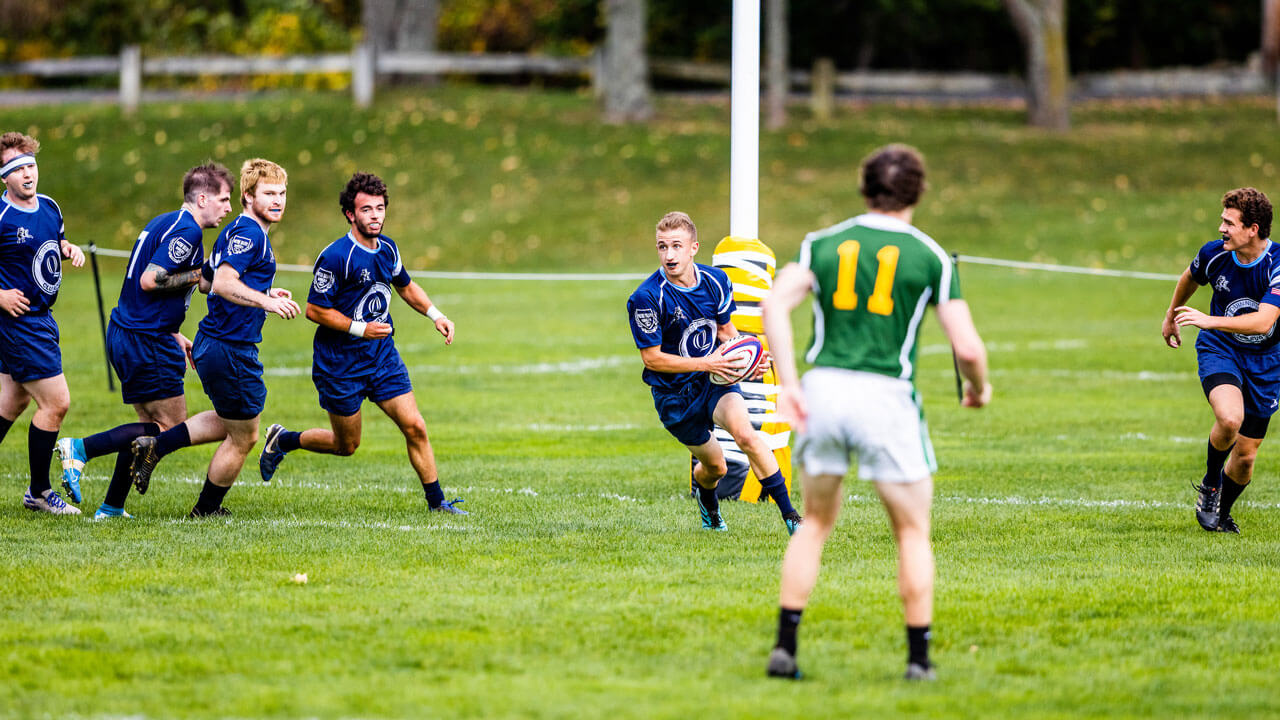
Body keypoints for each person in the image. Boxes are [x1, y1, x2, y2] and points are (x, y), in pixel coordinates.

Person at [760, 144, 990, 681]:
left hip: (824, 391)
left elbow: (773, 303)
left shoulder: (823, 242)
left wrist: (789, 385)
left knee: (814, 523)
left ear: (863, 188)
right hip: (886, 398)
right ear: (918, 192)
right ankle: (918, 660)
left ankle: (785, 648)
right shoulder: (929, 255)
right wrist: (978, 388)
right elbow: (969, 350)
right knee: (911, 533)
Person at [256, 172, 467, 514]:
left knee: (415, 426)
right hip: (339, 364)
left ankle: (437, 503)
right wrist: (359, 328)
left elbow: (406, 286)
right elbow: (314, 309)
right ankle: (283, 439)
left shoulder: (388, 249)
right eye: (366, 209)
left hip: (382, 358)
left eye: (380, 208)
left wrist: (435, 314)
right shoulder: (337, 257)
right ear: (350, 215)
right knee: (346, 445)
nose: (375, 215)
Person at [55, 163, 234, 519]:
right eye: (224, 199)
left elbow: (146, 291)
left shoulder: (164, 221)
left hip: (130, 332)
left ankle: (111, 506)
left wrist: (174, 332)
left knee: (146, 430)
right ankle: (79, 449)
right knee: (168, 427)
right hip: (143, 340)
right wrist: (201, 272)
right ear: (202, 198)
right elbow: (151, 281)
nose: (228, 208)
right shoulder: (187, 232)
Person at [130, 158, 299, 517]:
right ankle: (205, 509)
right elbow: (221, 284)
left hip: (217, 341)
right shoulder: (250, 232)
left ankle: (156, 447)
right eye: (269, 193)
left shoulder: (239, 229)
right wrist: (264, 300)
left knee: (232, 420)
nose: (278, 200)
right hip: (229, 346)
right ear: (248, 196)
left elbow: (206, 281)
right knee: (245, 436)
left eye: (282, 193)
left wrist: (264, 290)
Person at [626, 211, 802, 534]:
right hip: (675, 398)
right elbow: (652, 359)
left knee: (748, 435)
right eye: (662, 247)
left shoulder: (716, 282)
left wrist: (754, 359)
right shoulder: (647, 298)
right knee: (715, 467)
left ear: (694, 247)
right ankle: (709, 505)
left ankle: (792, 518)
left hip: (713, 383)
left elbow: (726, 333)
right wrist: (709, 363)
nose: (669, 255)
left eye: (676, 246)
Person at [1165, 187, 1277, 535]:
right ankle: (1211, 485)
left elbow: (1263, 322)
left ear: (1253, 228)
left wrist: (1209, 319)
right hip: (1220, 349)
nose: (1221, 228)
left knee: (1245, 456)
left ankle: (1222, 512)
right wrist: (1171, 316)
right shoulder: (1214, 255)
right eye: (1222, 220)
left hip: (1267, 361)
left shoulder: (1277, 265)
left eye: (1229, 222)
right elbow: (1190, 277)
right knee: (1230, 418)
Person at [0, 132, 86, 515]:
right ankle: (38, 491)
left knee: (10, 402)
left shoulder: (51, 207)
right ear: (4, 177)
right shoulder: (1, 216)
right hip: (18, 325)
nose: (27, 173)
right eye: (17, 169)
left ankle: (37, 491)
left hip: (43, 319)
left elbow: (51, 246)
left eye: (31, 165)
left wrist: (69, 249)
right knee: (56, 403)